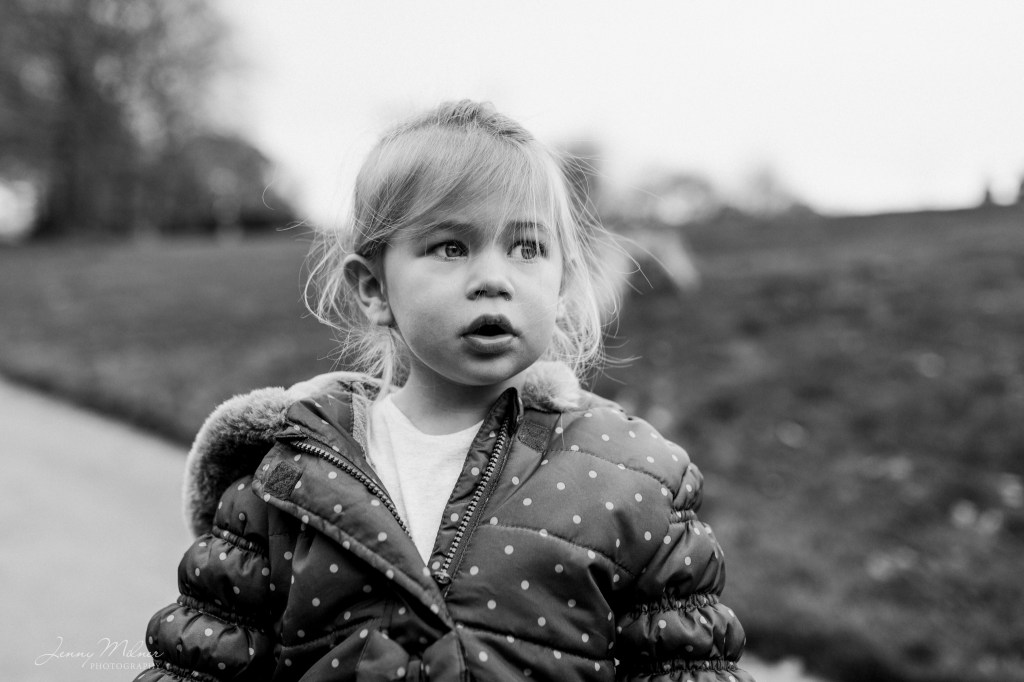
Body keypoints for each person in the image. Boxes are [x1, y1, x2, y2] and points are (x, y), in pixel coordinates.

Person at [136, 100, 753, 681]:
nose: (493, 278)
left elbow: (686, 668)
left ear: (564, 283)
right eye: (451, 247)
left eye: (527, 247)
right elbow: (202, 661)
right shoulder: (286, 477)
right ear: (373, 289)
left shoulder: (631, 480)